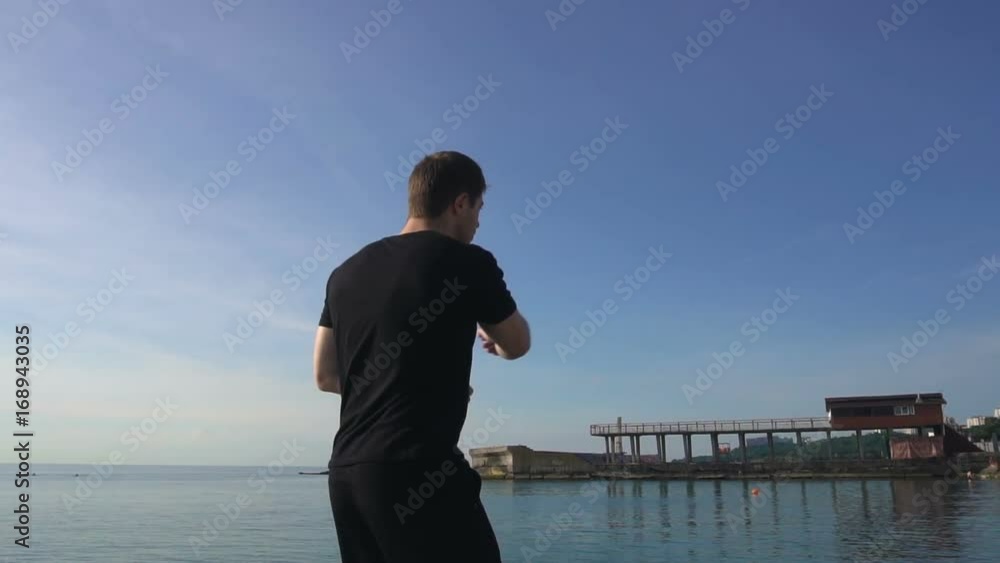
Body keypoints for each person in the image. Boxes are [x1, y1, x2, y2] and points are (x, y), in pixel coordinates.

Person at [314, 150, 531, 562]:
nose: (478, 222)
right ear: (460, 203)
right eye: (479, 209)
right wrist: (495, 341)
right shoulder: (469, 262)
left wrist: (408, 385)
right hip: (419, 472)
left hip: (347, 476)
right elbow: (518, 343)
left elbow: (325, 375)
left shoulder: (343, 274)